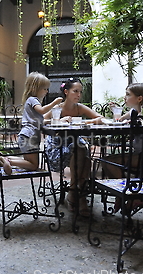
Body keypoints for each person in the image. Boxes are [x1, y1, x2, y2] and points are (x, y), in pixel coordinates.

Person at [44, 78, 103, 216]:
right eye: (75, 91)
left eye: (80, 92)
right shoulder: (58, 108)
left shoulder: (79, 108)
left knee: (82, 151)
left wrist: (84, 121)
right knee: (80, 151)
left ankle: (75, 192)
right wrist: (58, 120)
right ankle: (78, 195)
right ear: (66, 92)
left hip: (76, 142)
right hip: (57, 144)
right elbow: (40, 120)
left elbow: (100, 118)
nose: (79, 95)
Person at [103, 82, 143, 213]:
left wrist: (142, 122)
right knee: (106, 161)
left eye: (128, 94)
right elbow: (120, 120)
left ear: (139, 98)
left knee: (108, 162)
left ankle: (129, 195)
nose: (124, 97)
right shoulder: (134, 111)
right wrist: (115, 110)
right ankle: (125, 194)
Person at [0, 72, 63, 175]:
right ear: (35, 88)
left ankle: (6, 159)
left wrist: (53, 121)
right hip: (30, 136)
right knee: (34, 165)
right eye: (45, 89)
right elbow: (42, 110)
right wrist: (54, 103)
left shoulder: (30, 101)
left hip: (26, 135)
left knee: (29, 163)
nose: (47, 91)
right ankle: (9, 161)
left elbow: (38, 120)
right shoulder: (33, 100)